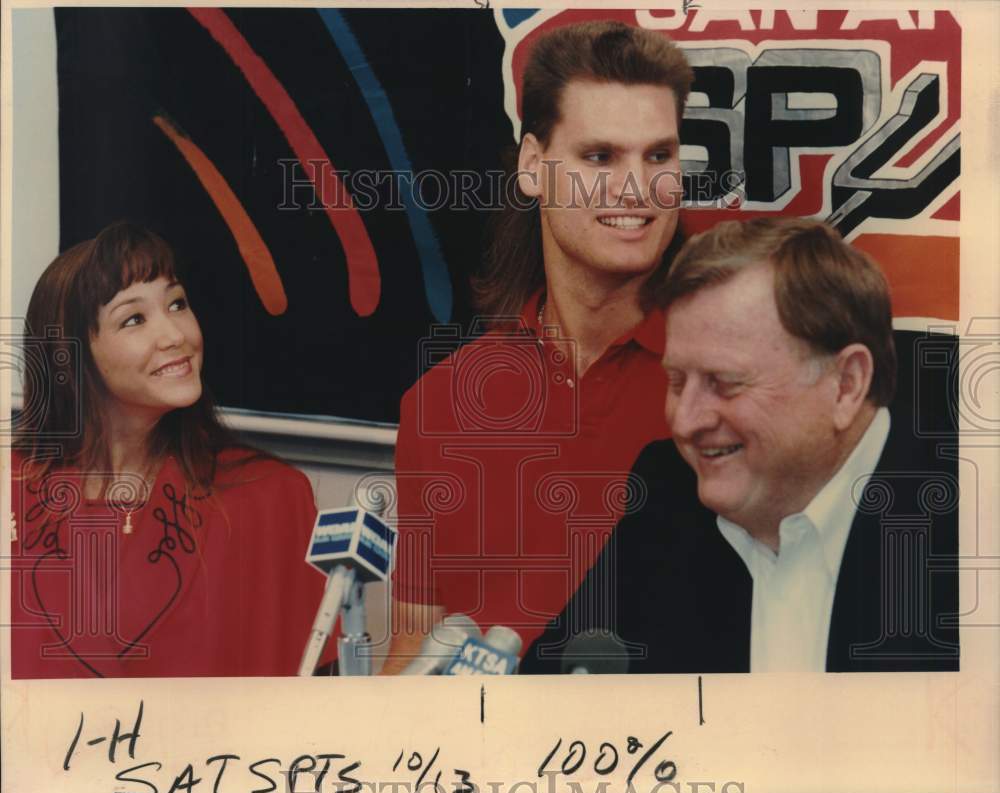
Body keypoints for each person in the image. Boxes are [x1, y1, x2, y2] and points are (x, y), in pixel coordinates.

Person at [384, 20, 693, 672]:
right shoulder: (437, 404)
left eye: (659, 155)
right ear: (533, 166)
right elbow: (413, 644)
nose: (637, 186)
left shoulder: (723, 383)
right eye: (600, 156)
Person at [522, 217, 960, 674]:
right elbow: (561, 684)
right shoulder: (666, 490)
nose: (686, 421)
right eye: (676, 381)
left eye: (725, 383)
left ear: (845, 385)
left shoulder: (969, 528)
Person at [10, 223, 325, 678]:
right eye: (133, 319)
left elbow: (318, 699)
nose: (175, 334)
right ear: (70, 355)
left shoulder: (271, 495)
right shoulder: (12, 491)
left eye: (177, 303)